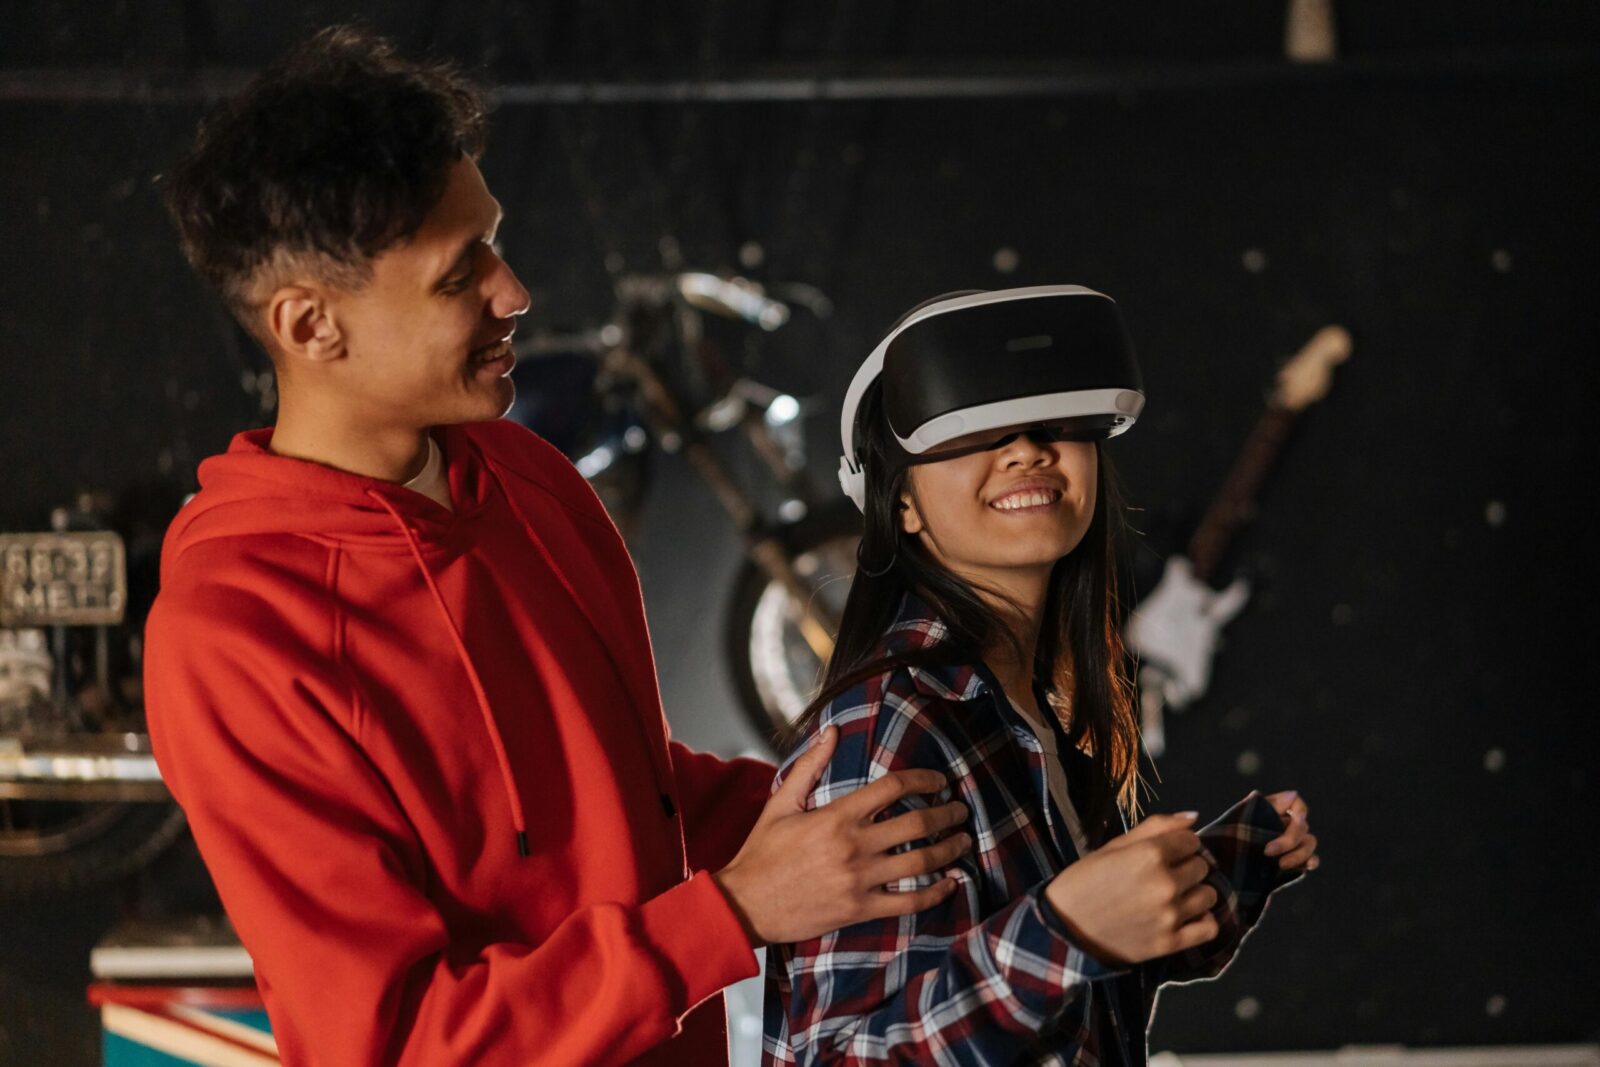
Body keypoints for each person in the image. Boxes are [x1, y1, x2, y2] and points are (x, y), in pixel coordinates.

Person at [144, 27, 971, 1066]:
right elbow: (394, 1041)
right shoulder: (236, 633)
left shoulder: (524, 476)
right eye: (459, 274)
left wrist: (862, 809)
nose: (514, 292)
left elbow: (620, 788)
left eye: (493, 239)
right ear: (310, 326)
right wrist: (734, 913)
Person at [763, 287, 1320, 1065]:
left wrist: (1207, 877)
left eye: (1056, 423)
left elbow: (1058, 1010)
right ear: (905, 507)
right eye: (975, 431)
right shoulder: (888, 730)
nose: (1028, 449)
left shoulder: (1026, 711)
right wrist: (1068, 929)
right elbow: (842, 1058)